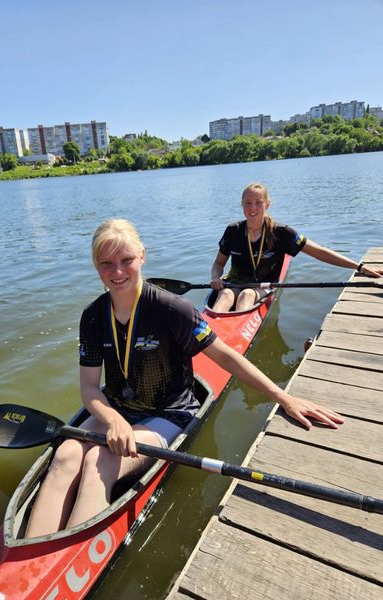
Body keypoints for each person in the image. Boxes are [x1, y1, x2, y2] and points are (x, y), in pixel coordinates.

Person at [26, 218, 343, 538]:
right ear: (96, 266)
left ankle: (68, 556)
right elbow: (90, 388)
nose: (117, 272)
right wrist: (113, 421)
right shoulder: (92, 316)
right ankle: (29, 561)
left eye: (126, 260)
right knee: (66, 452)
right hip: (120, 408)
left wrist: (284, 398)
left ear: (142, 257)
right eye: (106, 263)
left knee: (101, 459)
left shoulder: (171, 308)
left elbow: (226, 357)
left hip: (169, 412)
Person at [210, 182, 383, 312]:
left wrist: (359, 267)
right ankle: (209, 340)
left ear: (267, 204)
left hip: (263, 286)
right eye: (248, 202)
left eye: (258, 202)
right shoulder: (232, 231)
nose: (252, 208)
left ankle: (232, 344)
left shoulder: (282, 233)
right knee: (225, 294)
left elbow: (319, 252)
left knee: (246, 295)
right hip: (234, 282)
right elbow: (218, 264)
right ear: (241, 204)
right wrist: (216, 277)